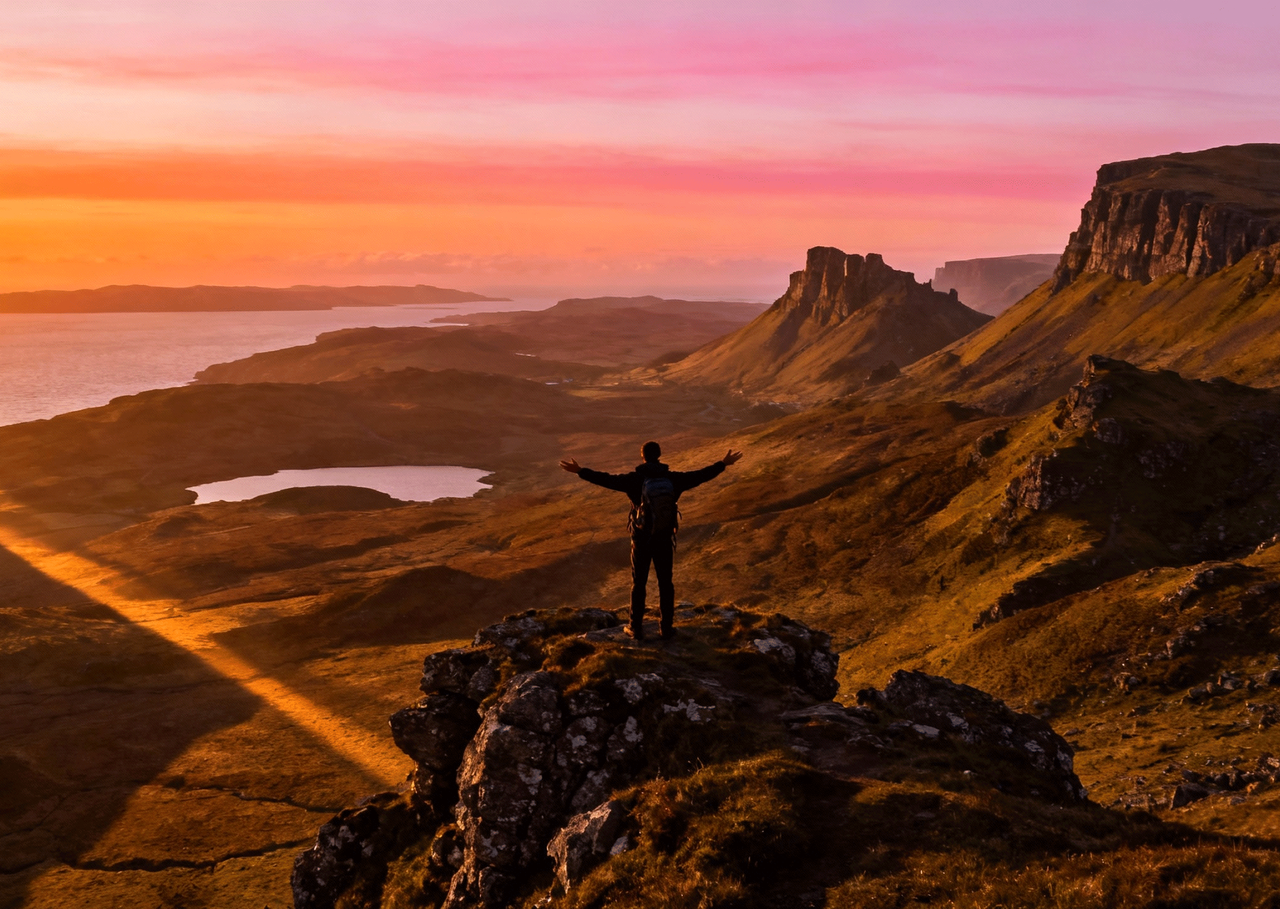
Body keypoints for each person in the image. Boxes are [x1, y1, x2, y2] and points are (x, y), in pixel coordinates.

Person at [560, 441, 742, 640]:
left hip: (641, 539)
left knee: (639, 583)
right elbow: (700, 475)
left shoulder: (634, 480)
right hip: (664, 538)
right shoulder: (673, 479)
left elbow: (607, 480)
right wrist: (723, 463)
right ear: (660, 455)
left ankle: (635, 628)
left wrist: (580, 471)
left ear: (643, 457)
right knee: (666, 583)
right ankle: (666, 628)